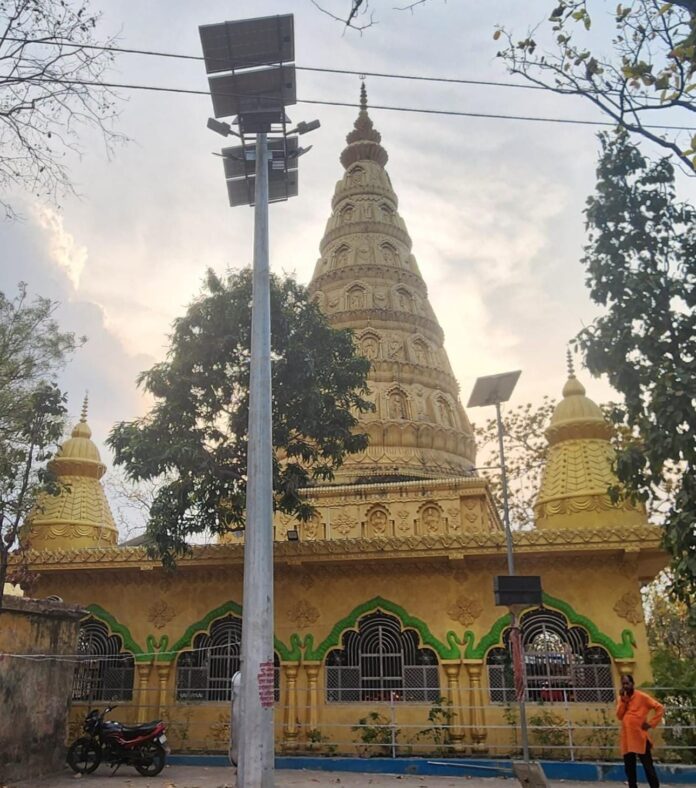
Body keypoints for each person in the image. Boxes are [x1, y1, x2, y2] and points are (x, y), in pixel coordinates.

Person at [616, 674, 664, 788]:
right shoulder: (622, 698)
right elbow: (619, 716)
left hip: (640, 737)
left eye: (627, 683)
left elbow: (660, 708)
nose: (625, 686)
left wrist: (650, 724)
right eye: (623, 684)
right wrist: (623, 700)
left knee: (648, 767)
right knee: (629, 768)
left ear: (633, 684)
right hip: (627, 738)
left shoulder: (642, 697)